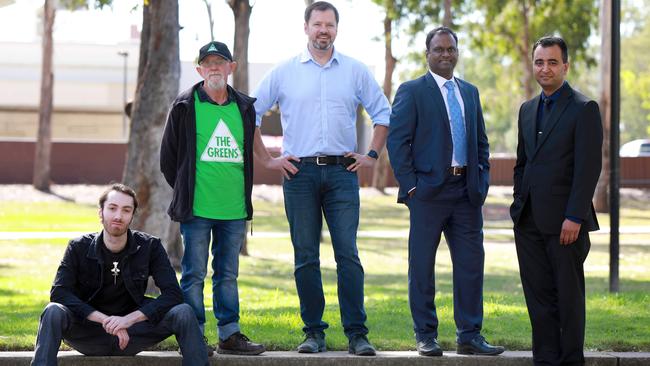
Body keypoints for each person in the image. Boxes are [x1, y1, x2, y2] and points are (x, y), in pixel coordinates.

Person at [251, 1, 391, 356]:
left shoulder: (355, 71)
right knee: (306, 257)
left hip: (343, 173)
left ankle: (357, 334)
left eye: (329, 24)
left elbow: (383, 112)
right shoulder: (284, 72)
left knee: (348, 255)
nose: (323, 30)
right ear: (306, 28)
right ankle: (313, 332)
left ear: (336, 30)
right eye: (317, 24)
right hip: (299, 174)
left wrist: (371, 155)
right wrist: (267, 160)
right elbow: (248, 111)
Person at [386, 27, 504, 357]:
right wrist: (411, 187)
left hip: (466, 192)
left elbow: (481, 142)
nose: (445, 54)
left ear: (457, 52)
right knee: (421, 266)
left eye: (450, 49)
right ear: (428, 54)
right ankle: (425, 335)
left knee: (470, 265)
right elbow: (397, 142)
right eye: (438, 49)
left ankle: (469, 335)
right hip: (427, 193)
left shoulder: (470, 92)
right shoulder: (412, 91)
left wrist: (481, 180)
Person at [160, 41, 265, 356]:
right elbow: (168, 159)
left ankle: (229, 335)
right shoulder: (184, 106)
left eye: (221, 62)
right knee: (193, 274)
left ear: (231, 67)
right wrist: (186, 191)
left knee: (228, 275)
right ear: (199, 70)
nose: (215, 67)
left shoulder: (244, 107)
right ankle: (192, 336)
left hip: (233, 211)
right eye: (208, 63)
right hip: (197, 210)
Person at [30, 184, 208, 366]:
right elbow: (59, 293)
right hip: (88, 332)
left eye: (126, 210)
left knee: (183, 312)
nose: (118, 216)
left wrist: (128, 320)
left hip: (134, 333)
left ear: (132, 216)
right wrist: (106, 321)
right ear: (100, 213)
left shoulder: (150, 246)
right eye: (112, 208)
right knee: (53, 311)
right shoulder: (78, 247)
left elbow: (173, 294)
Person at [510, 36, 602, 366]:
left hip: (566, 224)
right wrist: (518, 204)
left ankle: (571, 361)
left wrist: (575, 216)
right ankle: (545, 361)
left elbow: (589, 167)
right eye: (539, 62)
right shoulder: (527, 109)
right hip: (529, 222)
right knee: (538, 299)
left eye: (552, 62)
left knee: (569, 299)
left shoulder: (583, 108)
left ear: (565, 66)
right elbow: (523, 163)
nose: (545, 68)